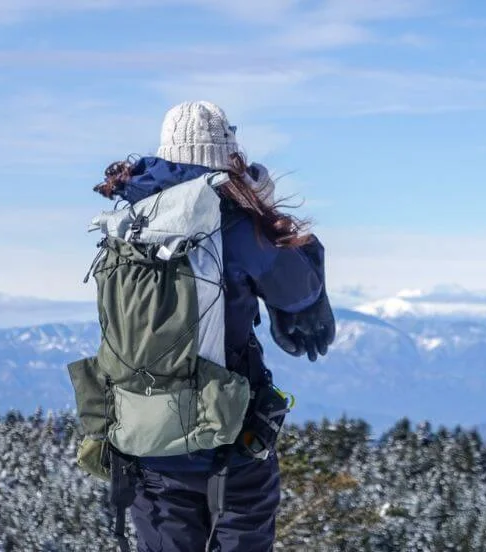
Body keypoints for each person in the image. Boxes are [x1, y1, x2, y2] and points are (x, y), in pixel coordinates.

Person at [93, 100, 335, 552]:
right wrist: (260, 205)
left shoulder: (129, 222)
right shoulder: (231, 225)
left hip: (145, 439)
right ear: (227, 156)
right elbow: (299, 288)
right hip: (229, 445)